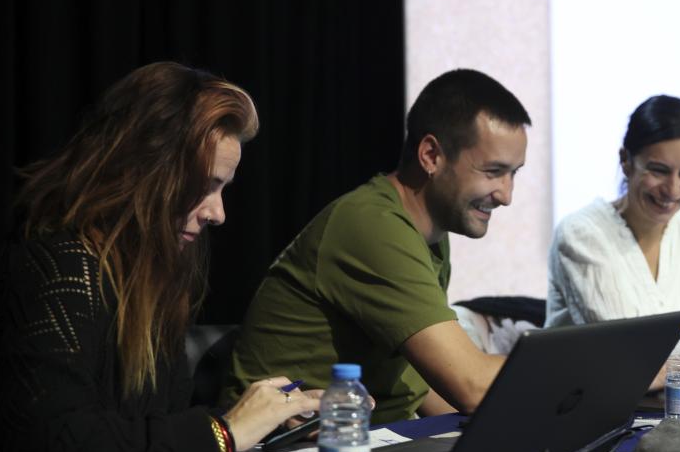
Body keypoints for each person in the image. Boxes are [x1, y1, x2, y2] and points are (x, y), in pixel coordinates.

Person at [0, 62, 319, 452]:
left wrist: (267, 425)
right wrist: (223, 432)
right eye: (205, 186)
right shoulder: (57, 265)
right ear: (144, 169)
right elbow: (50, 449)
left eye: (223, 189)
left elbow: (144, 429)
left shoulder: (147, 275)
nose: (217, 213)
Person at [223, 69, 530, 423]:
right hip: (281, 451)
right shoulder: (373, 226)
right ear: (431, 155)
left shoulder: (429, 234)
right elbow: (471, 385)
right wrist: (577, 367)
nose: (506, 196)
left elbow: (425, 384)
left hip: (364, 439)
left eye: (514, 173)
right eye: (493, 172)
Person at [546, 95, 680, 375]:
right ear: (626, 161)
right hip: (581, 411)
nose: (673, 189)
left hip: (664, 406)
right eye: (659, 171)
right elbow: (638, 353)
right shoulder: (582, 236)